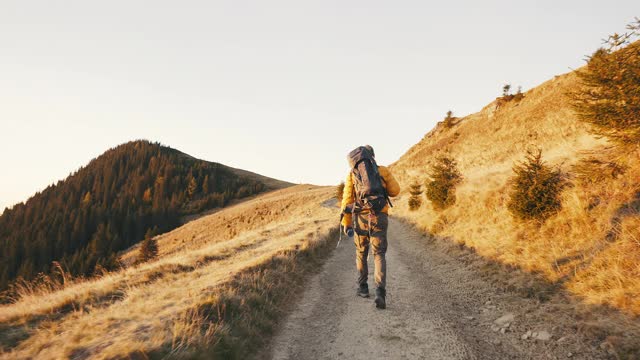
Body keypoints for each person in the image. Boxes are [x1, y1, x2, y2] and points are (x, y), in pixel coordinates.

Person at [341, 145, 400, 309]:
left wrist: (346, 222)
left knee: (361, 253)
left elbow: (347, 201)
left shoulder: (352, 175)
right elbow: (396, 191)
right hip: (379, 216)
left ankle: (363, 288)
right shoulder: (382, 170)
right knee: (379, 254)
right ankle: (380, 292)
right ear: (373, 156)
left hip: (360, 218)